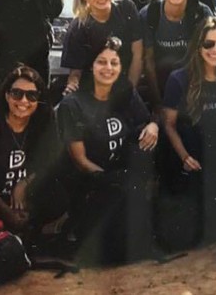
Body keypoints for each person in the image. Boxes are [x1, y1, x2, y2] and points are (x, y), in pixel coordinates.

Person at [57, 37, 159, 264]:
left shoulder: (125, 94)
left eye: (114, 63)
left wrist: (153, 125)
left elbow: (146, 121)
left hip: (123, 179)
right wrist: (112, 181)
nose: (108, 68)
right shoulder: (73, 104)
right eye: (101, 62)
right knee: (110, 256)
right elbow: (80, 160)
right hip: (93, 183)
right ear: (90, 66)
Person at [158, 17, 216, 249]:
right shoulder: (179, 78)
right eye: (208, 44)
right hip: (192, 151)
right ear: (198, 46)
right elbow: (169, 124)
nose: (215, 50)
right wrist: (184, 157)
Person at [0, 66, 67, 239]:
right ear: (7, 95)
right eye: (17, 93)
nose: (24, 101)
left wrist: (23, 183)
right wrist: (7, 211)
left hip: (26, 197)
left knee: (59, 191)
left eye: (32, 95)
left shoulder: (43, 123)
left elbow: (51, 160)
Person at [140, 0, 214, 111]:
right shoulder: (150, 14)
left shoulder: (202, 14)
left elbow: (210, 56)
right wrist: (158, 103)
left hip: (194, 83)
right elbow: (148, 61)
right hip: (161, 82)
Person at [62, 0, 144, 93]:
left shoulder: (126, 8)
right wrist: (73, 84)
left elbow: (138, 54)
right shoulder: (78, 28)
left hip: (126, 84)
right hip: (93, 91)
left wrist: (130, 91)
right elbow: (75, 72)